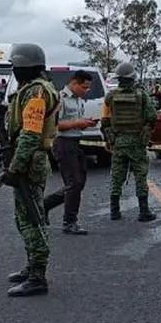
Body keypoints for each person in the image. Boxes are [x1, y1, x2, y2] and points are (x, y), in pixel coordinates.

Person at [3, 43, 59, 297]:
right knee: (24, 217)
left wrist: (15, 167)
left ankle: (38, 276)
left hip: (30, 162)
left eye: (16, 66)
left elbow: (30, 135)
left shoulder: (36, 93)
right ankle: (32, 266)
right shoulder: (32, 89)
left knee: (31, 218)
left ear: (26, 67)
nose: (14, 71)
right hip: (30, 160)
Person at [43, 70, 98, 235]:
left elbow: (74, 122)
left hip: (75, 142)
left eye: (88, 88)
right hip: (63, 143)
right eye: (84, 87)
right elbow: (55, 124)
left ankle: (45, 205)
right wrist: (77, 123)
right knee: (74, 183)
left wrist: (85, 123)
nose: (86, 90)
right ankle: (69, 222)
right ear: (73, 83)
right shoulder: (61, 99)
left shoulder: (79, 100)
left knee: (78, 183)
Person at [102, 62, 157, 222]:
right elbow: (152, 116)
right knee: (140, 175)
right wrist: (147, 130)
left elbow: (105, 120)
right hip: (137, 142)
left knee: (117, 175)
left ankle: (114, 211)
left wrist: (109, 139)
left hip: (118, 142)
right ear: (132, 77)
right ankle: (144, 212)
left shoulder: (110, 96)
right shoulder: (142, 95)